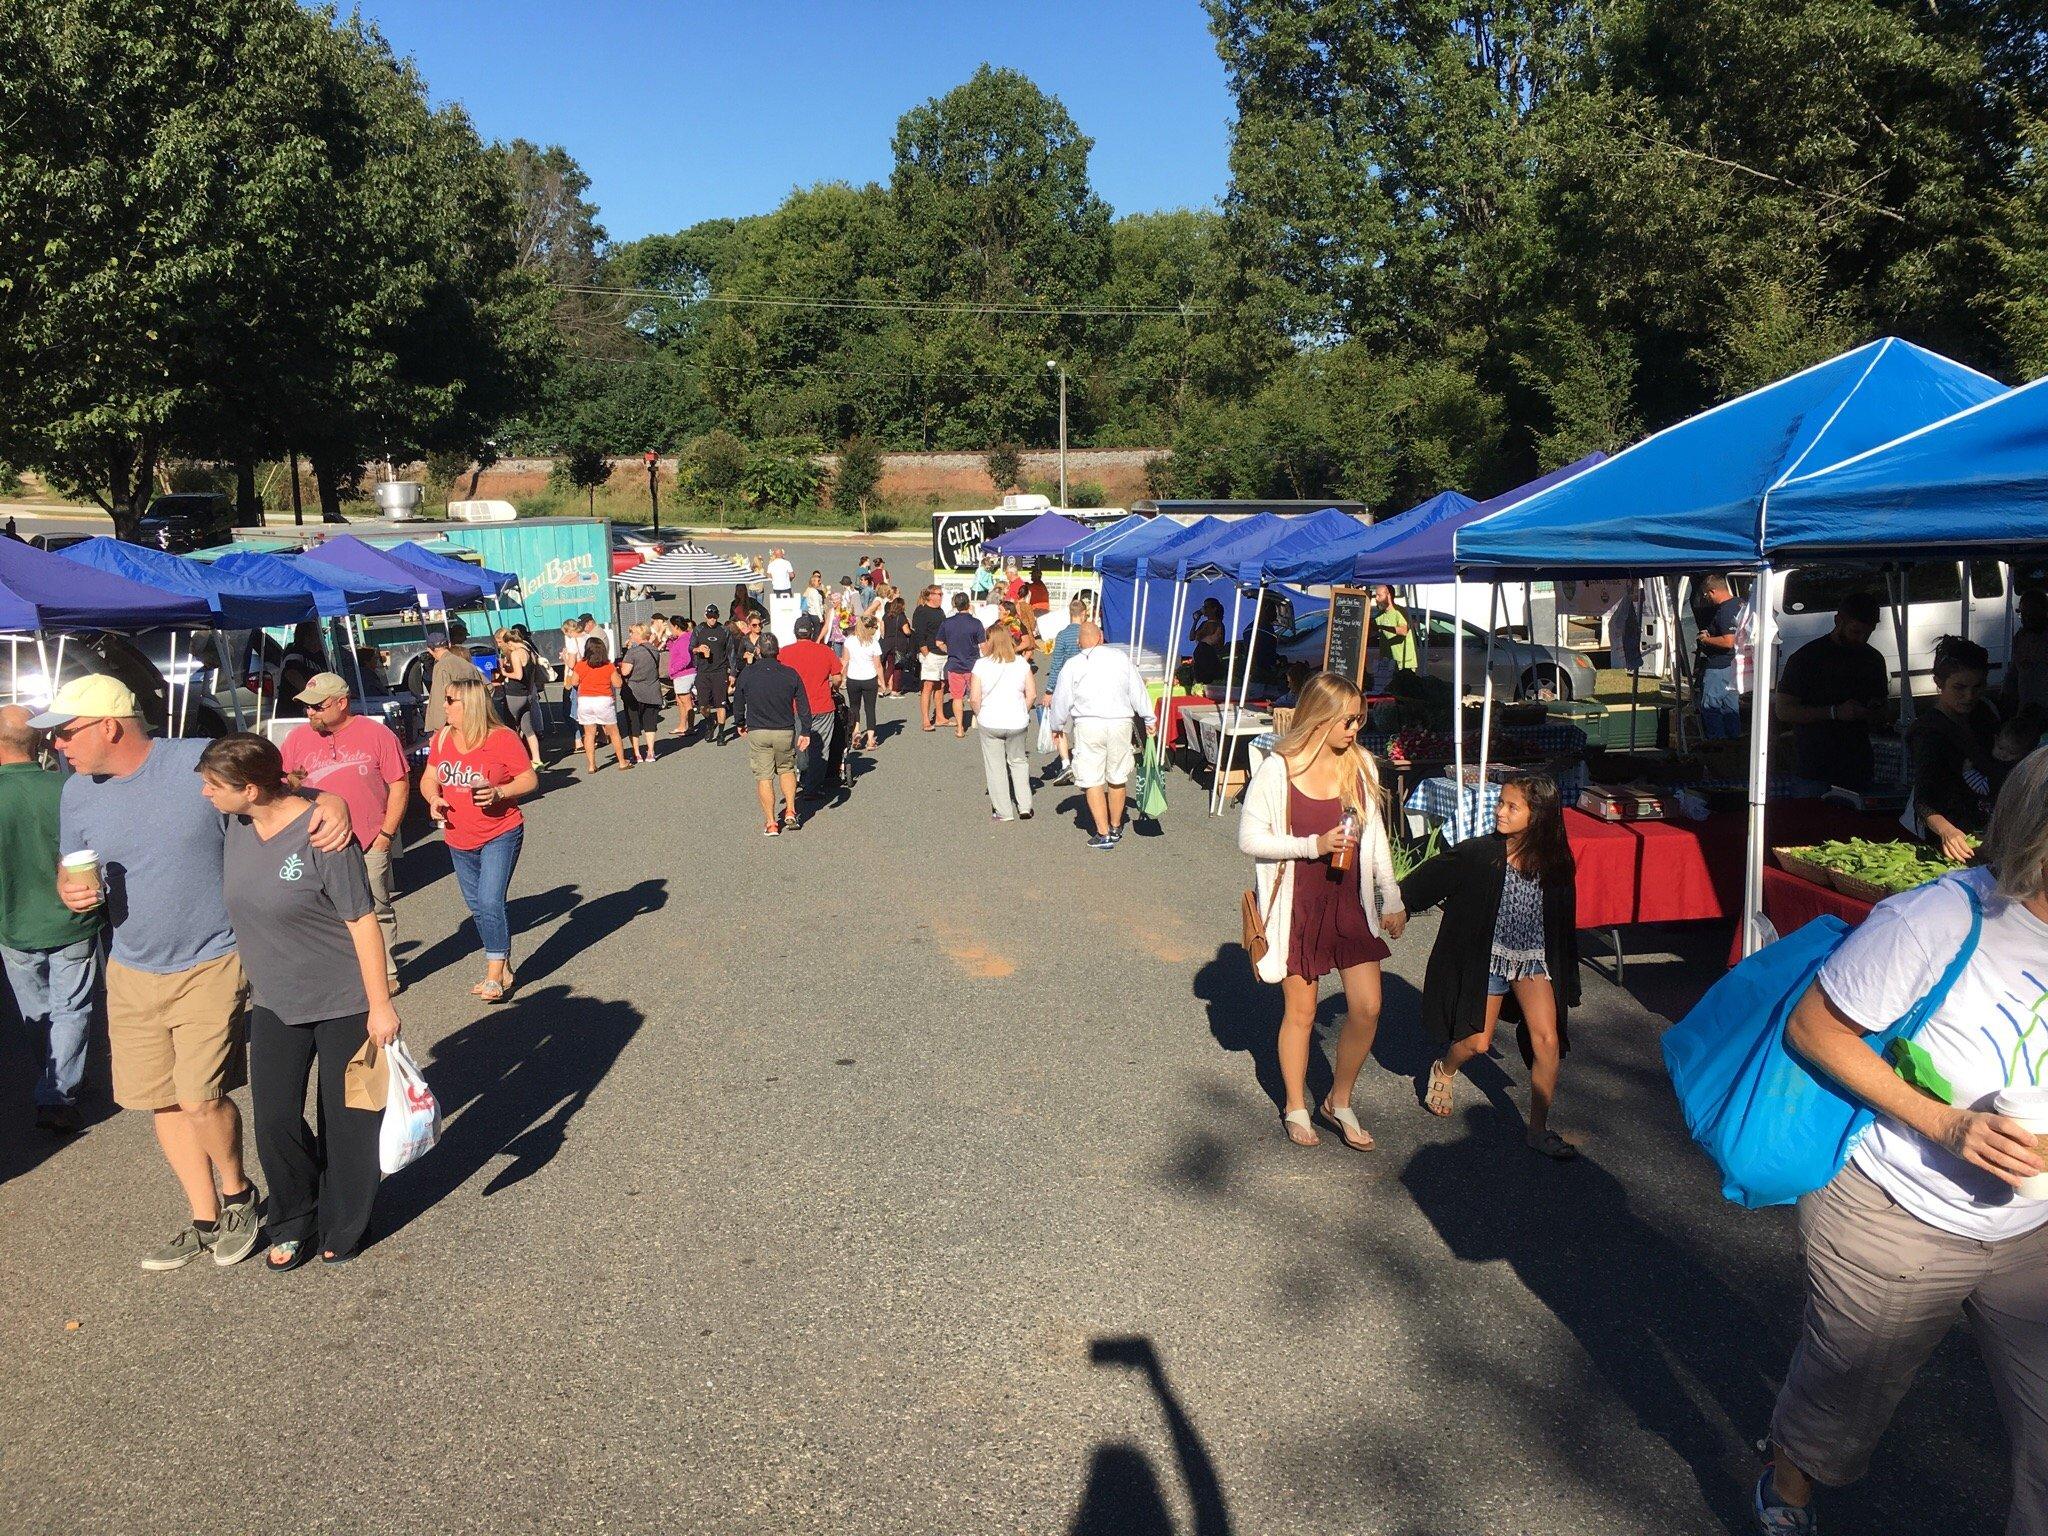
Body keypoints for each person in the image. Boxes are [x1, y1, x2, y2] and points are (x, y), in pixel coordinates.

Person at [1756, 747, 2048, 1536]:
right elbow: (1814, 1029)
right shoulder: (1941, 918)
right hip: (1894, 1215)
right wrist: (1950, 1125)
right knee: (1838, 1415)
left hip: (2032, 1232)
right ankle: (1787, 1489)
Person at [44, 674, 353, 1271]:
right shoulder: (76, 791)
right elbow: (70, 864)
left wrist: (330, 801)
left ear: (110, 725)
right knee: (159, 1100)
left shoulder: (193, 765)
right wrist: (68, 887)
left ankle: (240, 1196)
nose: (58, 744)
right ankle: (204, 1216)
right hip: (131, 964)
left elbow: (280, 791)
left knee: (199, 1095)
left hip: (213, 957)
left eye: (66, 731)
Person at [198, 734, 398, 1270]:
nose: (204, 793)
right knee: (276, 1120)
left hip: (343, 999)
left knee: (348, 1118)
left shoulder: (323, 836)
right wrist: (327, 795)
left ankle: (345, 1219)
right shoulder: (233, 824)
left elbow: (361, 921)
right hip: (274, 1003)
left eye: (213, 785)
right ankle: (294, 1214)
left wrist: (380, 1006)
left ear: (251, 787)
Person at [1236, 672, 1406, 1149]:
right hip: (1299, 906)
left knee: (1368, 1007)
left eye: (1359, 720)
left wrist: (1390, 896)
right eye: (1347, 720)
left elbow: (1375, 838)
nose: (1355, 729)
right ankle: (1295, 1104)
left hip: (1349, 903)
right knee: (1303, 1012)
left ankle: (1339, 1099)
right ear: (1320, 717)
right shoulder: (1279, 768)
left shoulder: (1362, 765)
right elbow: (1249, 839)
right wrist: (1313, 844)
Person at [1399, 774, 1582, 1158]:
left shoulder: (1556, 863)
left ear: (1538, 816)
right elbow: (1429, 879)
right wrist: (1401, 905)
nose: (1500, 811)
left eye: (1512, 806)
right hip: (1489, 958)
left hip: (1532, 960)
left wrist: (1566, 974)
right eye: (1501, 802)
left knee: (1547, 1041)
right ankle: (1444, 1070)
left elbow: (1562, 924)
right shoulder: (1480, 854)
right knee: (1476, 1043)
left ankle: (1537, 1129)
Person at [0, 704, 102, 1133]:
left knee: (36, 1011)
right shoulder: (69, 788)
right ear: (41, 741)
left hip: (12, 924)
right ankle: (57, 1091)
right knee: (71, 1008)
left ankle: (53, 1078)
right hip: (72, 918)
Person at [279, 673, 409, 992]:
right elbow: (284, 786)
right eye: (307, 707)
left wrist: (386, 835)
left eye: (318, 706)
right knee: (326, 911)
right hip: (319, 844)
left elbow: (399, 783)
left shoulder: (376, 734)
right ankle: (345, 970)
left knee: (375, 906)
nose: (311, 712)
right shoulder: (296, 739)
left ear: (341, 702)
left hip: (369, 841)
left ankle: (386, 972)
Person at [422, 676, 537, 1003]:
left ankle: (492, 974)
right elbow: (429, 778)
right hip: (458, 837)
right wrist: (433, 799)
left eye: (449, 700)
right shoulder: (443, 737)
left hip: (500, 832)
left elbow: (529, 779)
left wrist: (501, 791)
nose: (443, 706)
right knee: (478, 908)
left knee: (489, 901)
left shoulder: (501, 738)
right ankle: (505, 967)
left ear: (470, 705)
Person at [1048, 623, 1154, 850]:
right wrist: (1149, 718)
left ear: (1079, 642)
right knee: (1117, 775)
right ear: (1101, 637)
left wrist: (1056, 725)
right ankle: (1116, 825)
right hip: (1120, 722)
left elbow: (1061, 699)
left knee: (1092, 778)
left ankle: (1103, 832)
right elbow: (1137, 689)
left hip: (1089, 724)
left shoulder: (1073, 664)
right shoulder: (1119, 658)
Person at [1775, 593, 1889, 792]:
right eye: (1856, 631)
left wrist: (1873, 712)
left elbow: (1882, 706)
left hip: (1858, 765)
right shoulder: (1806, 658)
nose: (1861, 638)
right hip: (1815, 767)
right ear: (1838, 621)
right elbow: (1783, 710)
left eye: (1868, 632)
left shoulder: (1873, 659)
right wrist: (1834, 712)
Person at [1909, 635, 2007, 863]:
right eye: (1959, 687)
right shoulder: (1928, 732)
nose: (1969, 696)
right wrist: (1947, 831)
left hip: (1989, 831)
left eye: (1978, 686)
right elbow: (1923, 801)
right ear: (1938, 683)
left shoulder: (1984, 713)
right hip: (1953, 842)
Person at [733, 632, 812, 835]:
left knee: (764, 776)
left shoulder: (748, 674)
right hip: (784, 729)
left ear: (758, 650)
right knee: (786, 769)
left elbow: (739, 701)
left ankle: (771, 822)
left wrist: (740, 722)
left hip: (758, 730)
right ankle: (791, 811)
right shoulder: (790, 673)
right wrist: (806, 730)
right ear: (777, 651)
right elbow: (803, 704)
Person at [971, 625, 1036, 822]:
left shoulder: (981, 665)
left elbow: (974, 698)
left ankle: (1003, 811)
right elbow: (1031, 694)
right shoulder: (1021, 664)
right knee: (1019, 762)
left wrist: (980, 714)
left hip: (990, 720)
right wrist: (1022, 710)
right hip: (1017, 720)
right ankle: (1025, 806)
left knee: (995, 766)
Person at [782, 614, 844, 800]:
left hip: (796, 707)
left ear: (795, 632)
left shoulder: (784, 652)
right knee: (820, 747)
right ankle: (813, 787)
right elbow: (838, 677)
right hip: (822, 705)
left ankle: (803, 774)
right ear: (812, 632)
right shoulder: (825, 651)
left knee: (800, 744)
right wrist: (832, 685)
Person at [1043, 597, 1090, 784]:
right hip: (1085, 686)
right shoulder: (1089, 633)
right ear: (1084, 613)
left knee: (1060, 726)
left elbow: (1055, 666)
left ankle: (1065, 764)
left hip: (1065, 687)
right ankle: (1081, 761)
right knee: (1081, 725)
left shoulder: (1062, 635)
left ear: (1070, 614)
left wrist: (1049, 690)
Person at [572, 633, 631, 773]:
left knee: (589, 733)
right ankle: (622, 762)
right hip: (603, 699)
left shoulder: (581, 665)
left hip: (585, 700)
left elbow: (574, 682)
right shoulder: (608, 666)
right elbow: (618, 684)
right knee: (614, 732)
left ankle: (592, 765)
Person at [1694, 573, 1744, 739]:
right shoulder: (1739, 604)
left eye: (1706, 594)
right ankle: (1734, 747)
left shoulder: (1725, 610)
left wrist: (1706, 639)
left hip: (1719, 666)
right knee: (1730, 709)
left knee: (1710, 707)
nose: (1706, 598)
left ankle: (1716, 747)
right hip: (1734, 665)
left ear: (1713, 591)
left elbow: (1728, 641)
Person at [492, 625, 546, 768]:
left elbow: (518, 675)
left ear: (510, 642)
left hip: (514, 694)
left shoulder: (516, 654)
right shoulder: (529, 651)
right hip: (527, 693)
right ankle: (537, 760)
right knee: (528, 729)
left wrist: (504, 673)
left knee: (510, 729)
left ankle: (515, 761)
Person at [936, 593, 989, 738]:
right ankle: (979, 720)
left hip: (954, 664)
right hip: (973, 664)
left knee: (957, 697)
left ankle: (960, 728)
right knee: (976, 695)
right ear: (968, 604)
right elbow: (983, 645)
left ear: (955, 605)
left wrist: (950, 649)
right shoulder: (976, 623)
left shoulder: (947, 623)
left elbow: (939, 642)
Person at [423, 622, 483, 734]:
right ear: (448, 645)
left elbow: (438, 698)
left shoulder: (441, 666)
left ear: (430, 650)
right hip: (473, 719)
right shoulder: (466, 663)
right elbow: (488, 687)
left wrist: (437, 729)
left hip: (452, 724)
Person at [618, 622, 665, 764]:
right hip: (652, 690)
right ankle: (651, 752)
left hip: (634, 692)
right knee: (650, 723)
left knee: (634, 723)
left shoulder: (633, 652)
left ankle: (637, 754)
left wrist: (618, 669)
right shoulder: (655, 650)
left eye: (632, 633)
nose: (630, 635)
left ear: (638, 634)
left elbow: (625, 671)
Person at [2001, 588, 2048, 718]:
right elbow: (2014, 672)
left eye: (2032, 614)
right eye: (2023, 614)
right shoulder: (2020, 638)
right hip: (2027, 710)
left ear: (2044, 612)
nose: (2026, 619)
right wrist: (2005, 693)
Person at [911, 585, 948, 731]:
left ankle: (940, 717)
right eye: (938, 594)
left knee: (941, 685)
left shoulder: (940, 611)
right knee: (928, 685)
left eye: (941, 594)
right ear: (930, 595)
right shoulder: (921, 611)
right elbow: (919, 634)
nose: (941, 597)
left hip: (942, 653)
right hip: (930, 653)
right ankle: (926, 720)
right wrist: (925, 652)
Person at [844, 616, 884, 751]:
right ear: (870, 628)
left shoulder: (849, 640)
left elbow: (845, 660)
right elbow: (878, 665)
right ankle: (871, 740)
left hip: (853, 678)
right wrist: (882, 682)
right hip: (869, 678)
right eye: (875, 628)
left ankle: (856, 732)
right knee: (870, 708)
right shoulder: (873, 642)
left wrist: (842, 677)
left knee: (854, 707)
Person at [1371, 585, 1418, 673]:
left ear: (1388, 595)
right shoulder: (1379, 616)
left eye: (1379, 595)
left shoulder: (1400, 612)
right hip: (1387, 663)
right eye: (1375, 595)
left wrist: (1382, 627)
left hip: (1404, 663)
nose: (1376, 598)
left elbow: (1403, 631)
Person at [666, 612, 698, 738]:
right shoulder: (683, 638)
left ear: (676, 627)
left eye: (671, 627)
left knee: (686, 702)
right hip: (682, 674)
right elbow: (674, 650)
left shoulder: (684, 639)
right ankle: (682, 725)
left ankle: (689, 727)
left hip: (683, 674)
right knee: (680, 701)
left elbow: (686, 658)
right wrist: (669, 641)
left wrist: (674, 669)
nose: (670, 630)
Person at [880, 594, 913, 697]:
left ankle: (882, 687)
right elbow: (906, 631)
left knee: (889, 666)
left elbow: (882, 630)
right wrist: (910, 628)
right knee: (898, 667)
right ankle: (895, 690)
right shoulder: (901, 617)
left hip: (888, 643)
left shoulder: (887, 615)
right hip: (899, 644)